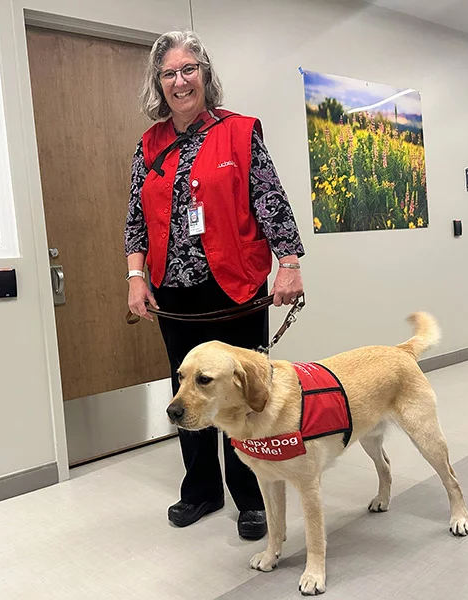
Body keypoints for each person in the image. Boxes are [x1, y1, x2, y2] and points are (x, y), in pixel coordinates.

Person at [123, 30, 305, 540]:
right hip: (174, 295)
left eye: (188, 70)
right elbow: (135, 218)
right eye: (168, 74)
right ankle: (201, 488)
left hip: (236, 286)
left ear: (205, 74)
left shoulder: (240, 132)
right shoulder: (148, 145)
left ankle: (251, 495)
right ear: (158, 85)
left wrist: (288, 262)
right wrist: (136, 277)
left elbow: (271, 201)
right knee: (189, 392)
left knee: (246, 392)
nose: (180, 82)